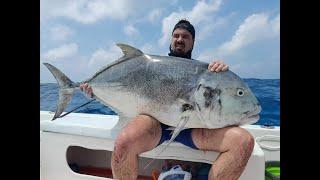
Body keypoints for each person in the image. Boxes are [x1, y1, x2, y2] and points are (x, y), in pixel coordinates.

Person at [80, 19, 254, 180]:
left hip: (193, 126)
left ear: (192, 42)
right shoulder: (151, 64)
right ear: (171, 39)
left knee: (243, 141)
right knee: (124, 141)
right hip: (154, 122)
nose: (180, 39)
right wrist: (95, 91)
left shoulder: (209, 71)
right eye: (176, 35)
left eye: (185, 36)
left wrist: (222, 75)